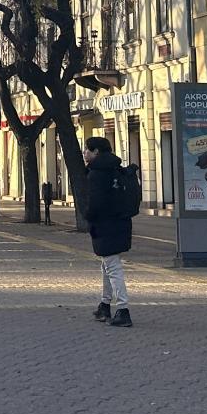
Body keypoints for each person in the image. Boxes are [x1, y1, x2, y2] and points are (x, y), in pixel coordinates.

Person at [81, 135, 133, 327]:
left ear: (96, 152)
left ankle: (123, 310)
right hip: (119, 222)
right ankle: (105, 304)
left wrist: (88, 215)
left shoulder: (97, 173)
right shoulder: (115, 168)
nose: (84, 153)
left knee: (113, 266)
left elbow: (96, 201)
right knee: (107, 265)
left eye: (87, 149)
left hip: (105, 224)